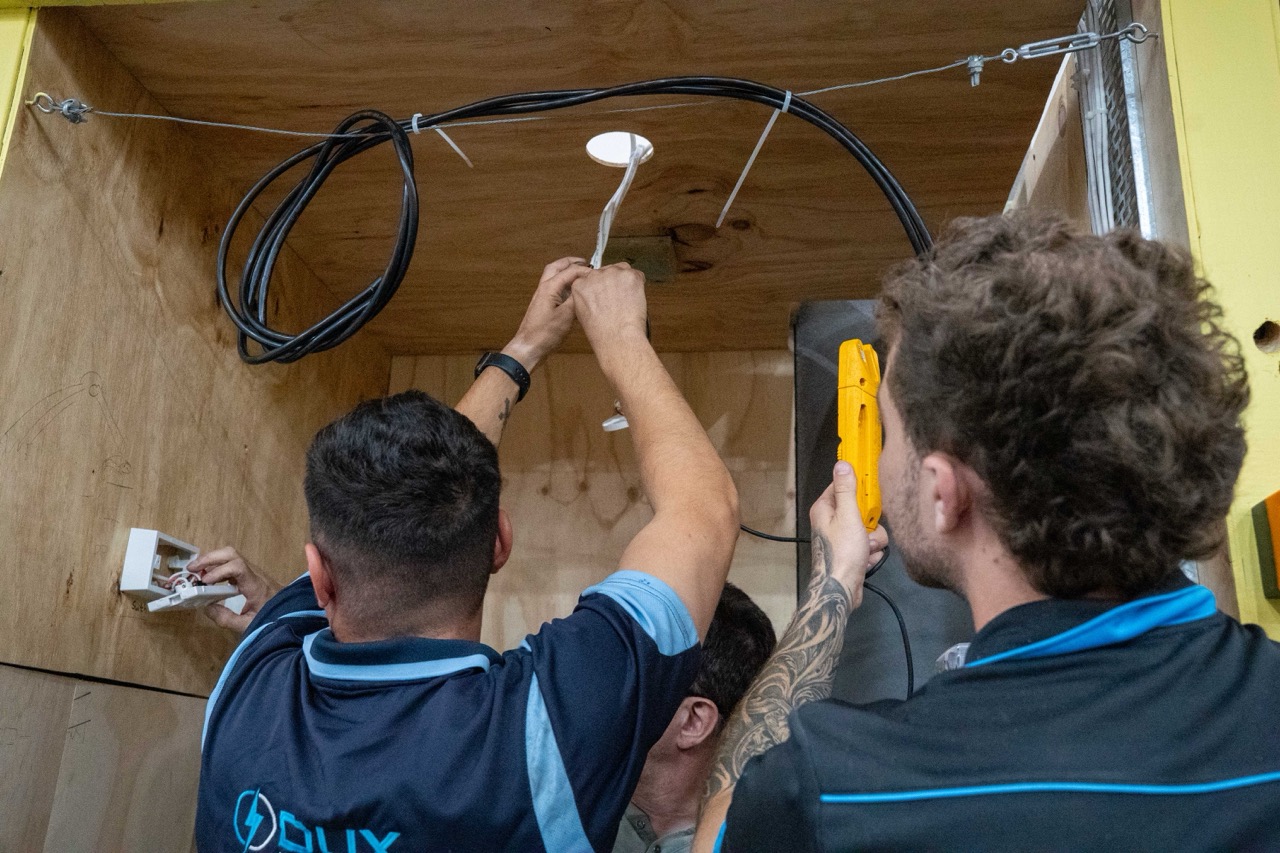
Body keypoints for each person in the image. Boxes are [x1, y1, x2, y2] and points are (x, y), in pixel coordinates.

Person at [694, 214, 1280, 851]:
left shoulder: (837, 790)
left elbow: (717, 829)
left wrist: (831, 593)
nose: (886, 463)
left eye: (889, 435)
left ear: (945, 494)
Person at [193, 258, 741, 852]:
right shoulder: (543, 732)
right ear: (500, 544)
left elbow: (419, 482)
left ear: (319, 574)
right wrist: (620, 337)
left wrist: (524, 348)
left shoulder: (248, 681)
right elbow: (703, 512)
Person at [613, 583, 776, 853]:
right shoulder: (564, 802)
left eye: (623, 676)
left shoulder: (762, 840)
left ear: (692, 722)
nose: (592, 689)